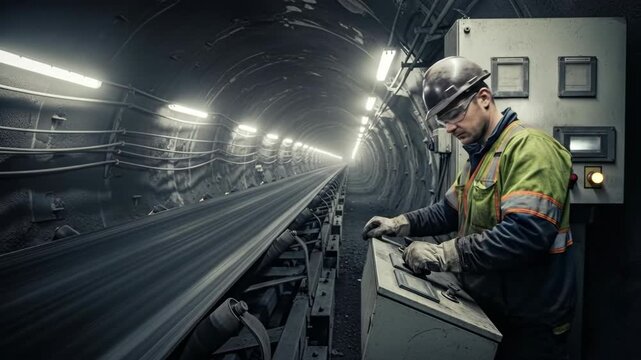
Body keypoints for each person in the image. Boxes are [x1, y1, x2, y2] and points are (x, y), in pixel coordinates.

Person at [362, 56, 576, 360]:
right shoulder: (481, 157)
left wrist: (442, 254)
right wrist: (399, 224)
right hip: (490, 306)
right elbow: (448, 211)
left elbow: (527, 234)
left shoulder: (530, 148)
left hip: (530, 320)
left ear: (484, 98)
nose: (449, 127)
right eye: (441, 120)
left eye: (455, 114)